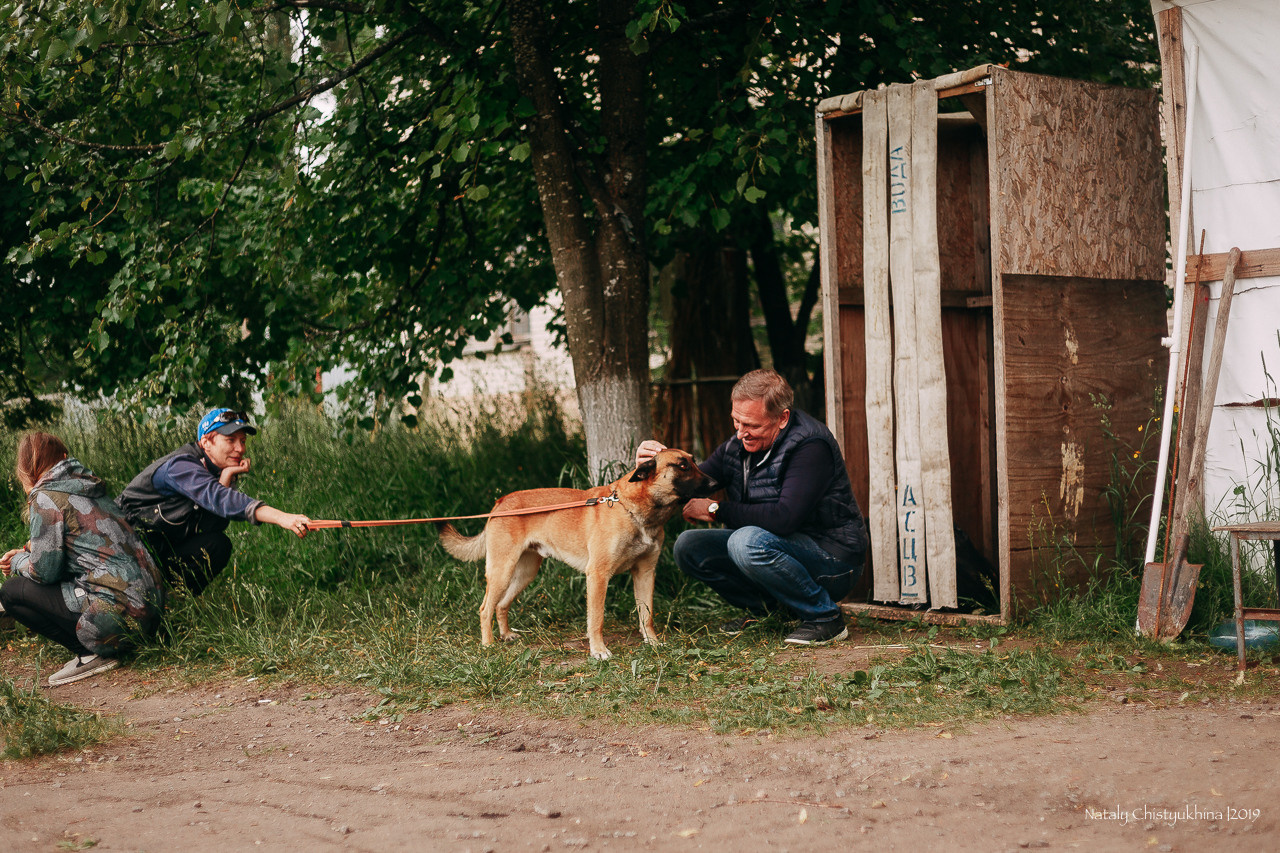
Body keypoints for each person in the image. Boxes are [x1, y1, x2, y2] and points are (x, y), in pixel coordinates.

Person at [636, 369, 867, 646]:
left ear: (782, 418)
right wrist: (650, 468)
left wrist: (715, 510)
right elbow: (694, 484)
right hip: (778, 551)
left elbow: (784, 519)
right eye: (736, 421)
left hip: (833, 560)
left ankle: (825, 618)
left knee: (746, 541)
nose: (741, 432)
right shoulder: (739, 444)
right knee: (689, 545)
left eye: (752, 425)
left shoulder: (810, 445)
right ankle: (769, 612)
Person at [0, 432, 164, 686]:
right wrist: (30, 552)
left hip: (117, 620)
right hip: (152, 613)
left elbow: (45, 573)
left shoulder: (45, 496)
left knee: (12, 592)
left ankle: (93, 652)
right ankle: (106, 643)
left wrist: (17, 562)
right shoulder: (91, 486)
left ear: (27, 469)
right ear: (64, 458)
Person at [116, 408, 311, 595]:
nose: (240, 448)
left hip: (159, 550)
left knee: (217, 545)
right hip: (124, 551)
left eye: (243, 441)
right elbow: (220, 497)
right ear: (206, 442)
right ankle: (153, 601)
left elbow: (212, 524)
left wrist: (227, 477)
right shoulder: (180, 466)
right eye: (230, 440)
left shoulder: (216, 471)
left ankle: (176, 605)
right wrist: (281, 518)